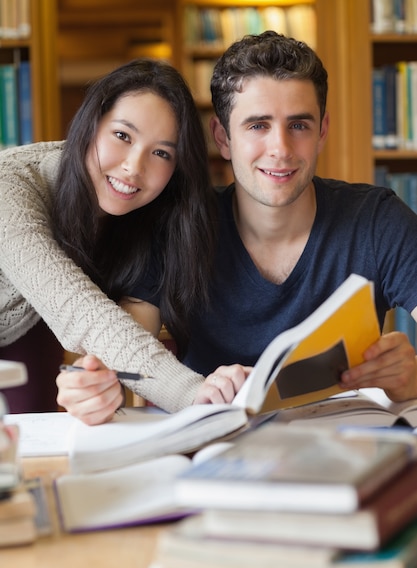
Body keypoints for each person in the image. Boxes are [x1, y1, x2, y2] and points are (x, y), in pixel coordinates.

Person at [58, 31, 417, 424]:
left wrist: (410, 376)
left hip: (347, 455)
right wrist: (94, 388)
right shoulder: (175, 229)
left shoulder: (379, 220)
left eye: (298, 125)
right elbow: (122, 357)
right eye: (258, 126)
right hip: (208, 456)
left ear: (322, 132)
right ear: (222, 137)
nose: (280, 148)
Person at [0, 58, 247, 414]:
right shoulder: (12, 187)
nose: (134, 167)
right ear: (90, 125)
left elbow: (122, 345)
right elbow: (75, 310)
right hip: (48, 316)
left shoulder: (155, 215)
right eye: (122, 136)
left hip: (32, 333)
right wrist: (195, 395)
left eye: (161, 153)